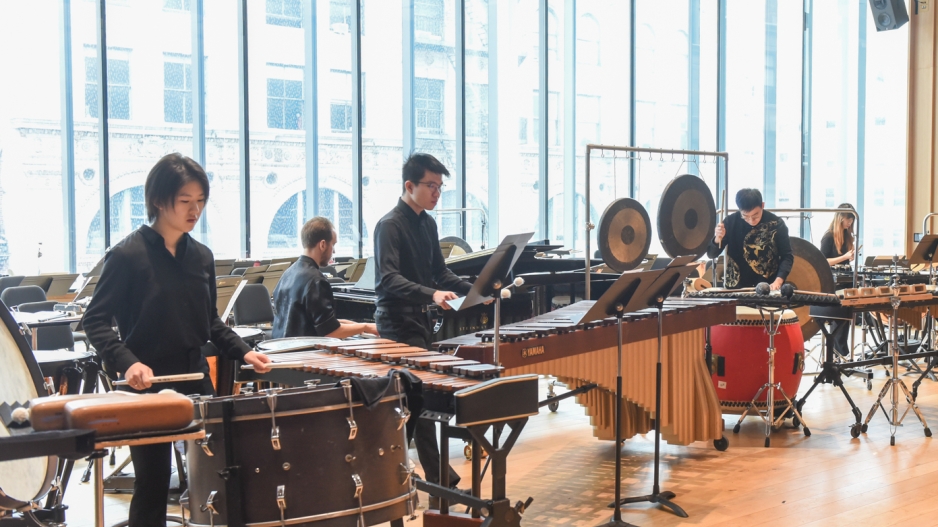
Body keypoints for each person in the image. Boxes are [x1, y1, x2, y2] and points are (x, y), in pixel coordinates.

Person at [82, 153, 272, 527]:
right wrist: (128, 362)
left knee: (216, 474)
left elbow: (210, 323)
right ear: (158, 200)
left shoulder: (200, 256)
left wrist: (246, 353)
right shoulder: (126, 255)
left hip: (194, 379)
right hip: (148, 388)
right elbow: (95, 321)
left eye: (200, 201)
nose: (195, 210)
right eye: (185, 201)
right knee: (152, 485)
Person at [373, 153, 471, 496]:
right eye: (431, 185)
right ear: (409, 185)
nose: (437, 193)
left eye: (440, 187)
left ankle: (417, 473)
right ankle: (432, 476)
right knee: (419, 397)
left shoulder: (427, 224)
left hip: (419, 321)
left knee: (422, 399)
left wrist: (475, 291)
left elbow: (440, 271)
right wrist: (432, 295)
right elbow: (388, 280)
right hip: (396, 323)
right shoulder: (390, 225)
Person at [272, 216, 378, 339]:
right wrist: (366, 327)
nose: (334, 251)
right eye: (333, 244)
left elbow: (320, 322)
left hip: (281, 350)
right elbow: (331, 332)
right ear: (322, 244)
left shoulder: (288, 273)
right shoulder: (316, 280)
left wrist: (358, 326)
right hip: (304, 353)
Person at [707, 188, 794, 290]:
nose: (751, 220)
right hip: (737, 288)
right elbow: (711, 254)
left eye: (755, 215)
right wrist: (718, 238)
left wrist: (778, 281)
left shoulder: (777, 224)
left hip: (768, 287)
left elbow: (787, 256)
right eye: (745, 216)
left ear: (762, 205)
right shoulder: (730, 222)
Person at [819, 203, 857, 356]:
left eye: (852, 220)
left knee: (846, 317)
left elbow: (845, 261)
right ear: (841, 217)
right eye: (849, 219)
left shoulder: (848, 236)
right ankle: (838, 351)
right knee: (838, 317)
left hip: (846, 280)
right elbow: (822, 261)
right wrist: (845, 257)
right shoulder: (828, 236)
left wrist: (850, 257)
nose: (850, 223)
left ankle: (842, 351)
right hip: (833, 281)